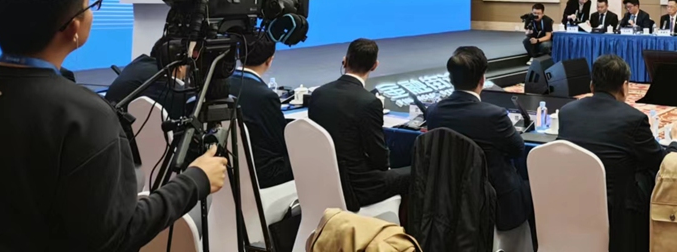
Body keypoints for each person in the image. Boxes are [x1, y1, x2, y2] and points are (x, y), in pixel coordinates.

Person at [0, 0, 227, 252]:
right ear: (72, 28)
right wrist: (196, 181)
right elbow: (114, 236)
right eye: (90, 4)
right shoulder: (85, 116)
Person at [557, 54, 677, 252]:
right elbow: (662, 163)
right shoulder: (632, 119)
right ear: (625, 86)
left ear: (592, 85)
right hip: (617, 212)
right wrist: (676, 141)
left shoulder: (567, 111)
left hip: (570, 200)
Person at [426, 47, 530, 232]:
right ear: (482, 79)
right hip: (496, 201)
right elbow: (517, 149)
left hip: (449, 197)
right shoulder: (494, 115)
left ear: (451, 79)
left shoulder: (434, 112)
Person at [306, 38, 409, 210]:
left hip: (322, 179)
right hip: (358, 187)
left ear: (345, 61)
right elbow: (379, 159)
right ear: (375, 65)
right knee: (419, 172)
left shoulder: (318, 94)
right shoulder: (369, 102)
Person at [227, 35, 292, 189]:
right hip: (263, 172)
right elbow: (280, 142)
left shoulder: (221, 84)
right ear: (270, 60)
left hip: (229, 165)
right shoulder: (265, 96)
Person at [104, 36, 189, 120]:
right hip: (118, 126)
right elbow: (183, 102)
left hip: (107, 120)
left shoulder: (141, 62)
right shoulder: (158, 78)